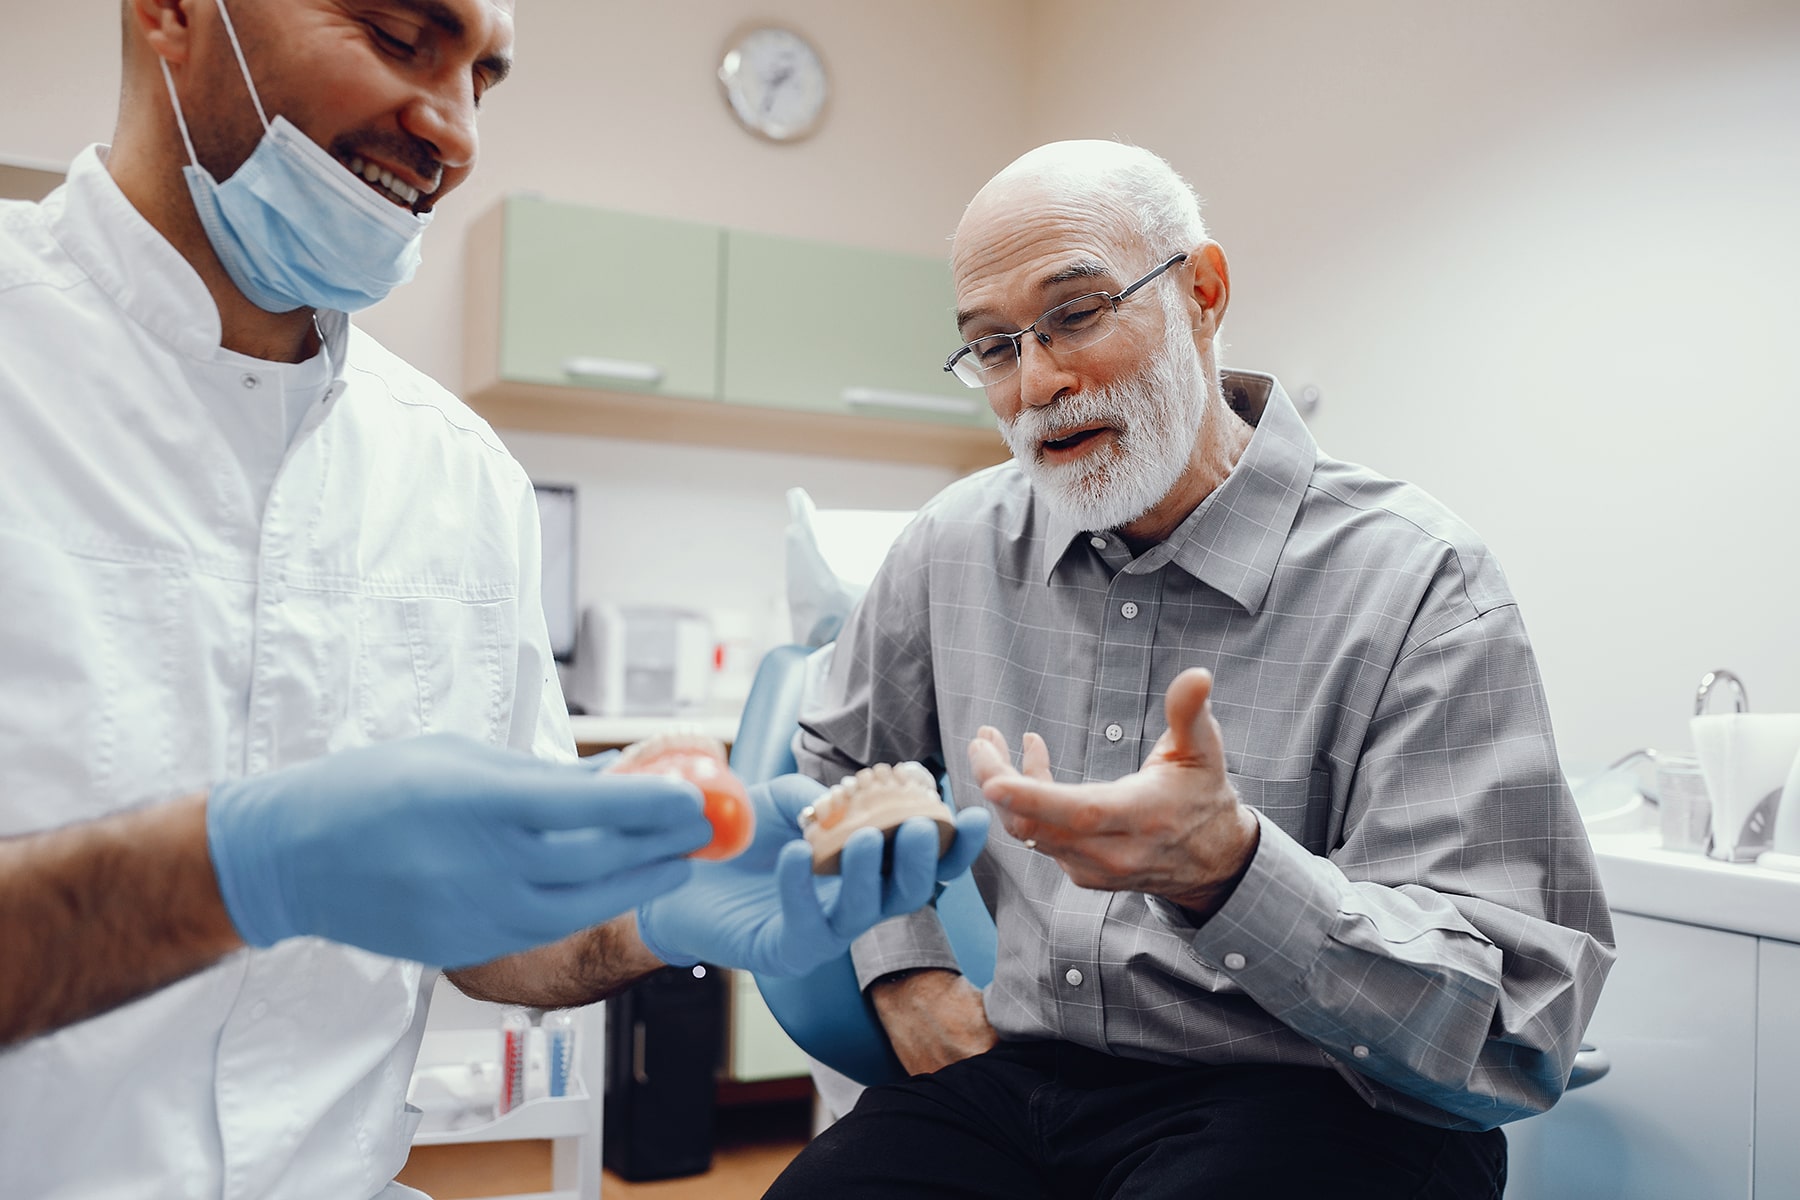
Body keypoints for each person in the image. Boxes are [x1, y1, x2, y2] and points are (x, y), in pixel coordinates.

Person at [0, 1, 986, 1196]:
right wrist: (230, 872)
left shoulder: (457, 475)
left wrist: (644, 912)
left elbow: (496, 942)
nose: (455, 131)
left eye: (487, 77)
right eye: (397, 34)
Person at [774, 139, 1615, 1198]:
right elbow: (836, 759)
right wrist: (907, 968)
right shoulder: (954, 545)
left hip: (1322, 1097)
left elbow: (1516, 1025)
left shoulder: (1419, 582)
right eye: (993, 347)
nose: (1037, 381)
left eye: (1076, 314)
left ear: (1203, 294)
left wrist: (1233, 871)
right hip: (1025, 1080)